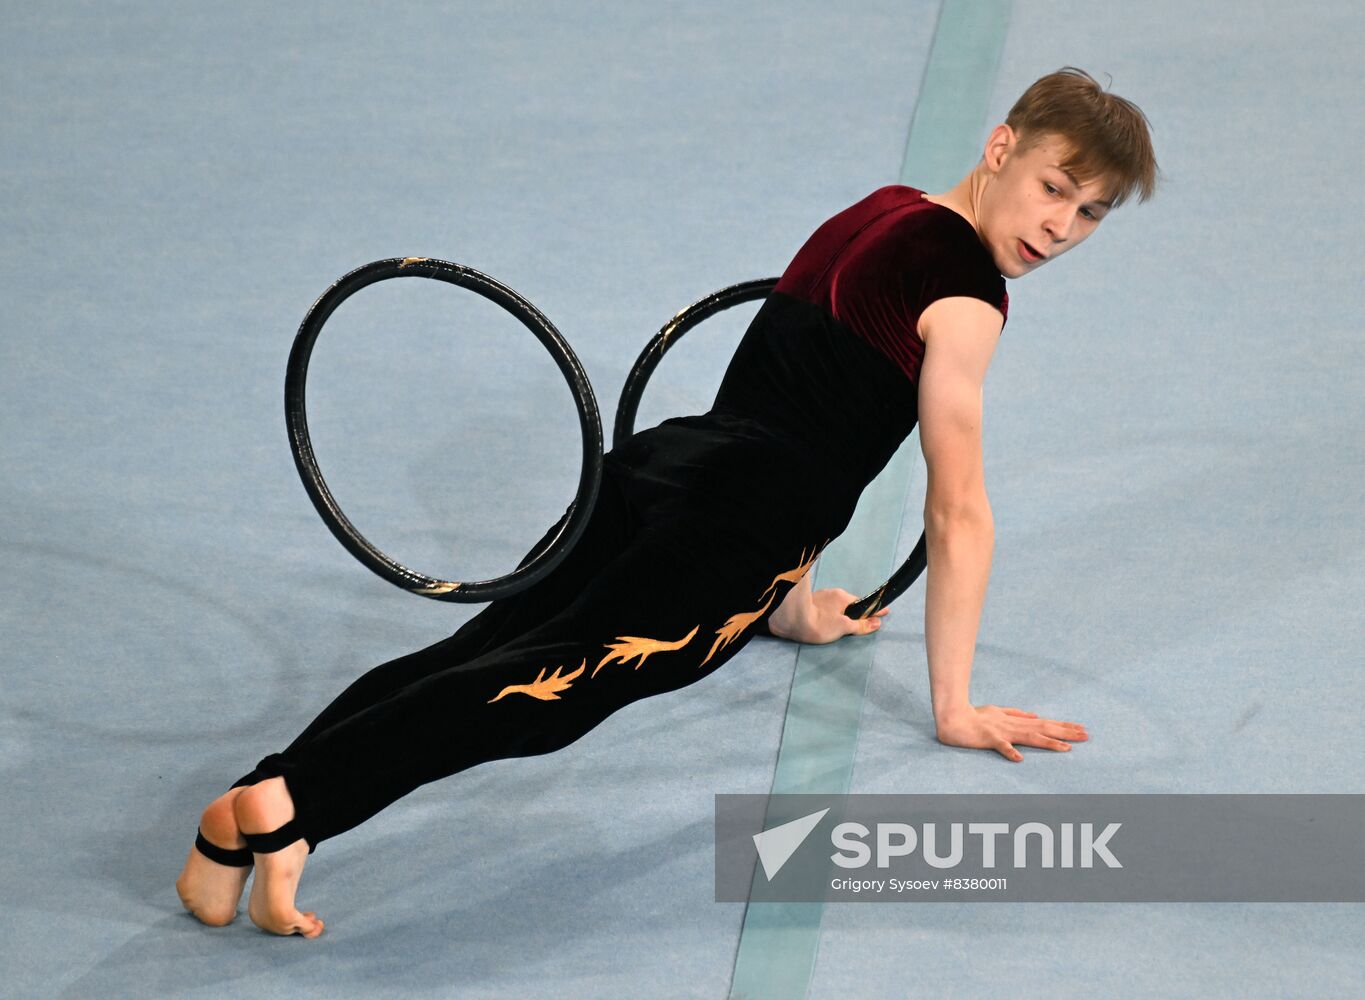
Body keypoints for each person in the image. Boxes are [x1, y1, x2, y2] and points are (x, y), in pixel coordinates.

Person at [176, 66, 1159, 937]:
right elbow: (958, 509)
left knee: (476, 651)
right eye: (1053, 189)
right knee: (538, 694)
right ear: (1002, 149)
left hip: (665, 466)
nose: (1058, 229)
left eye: (1090, 213)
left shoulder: (883, 209)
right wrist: (953, 705)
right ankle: (296, 800)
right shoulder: (968, 298)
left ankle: (242, 827)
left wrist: (788, 605)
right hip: (733, 533)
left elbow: (803, 398)